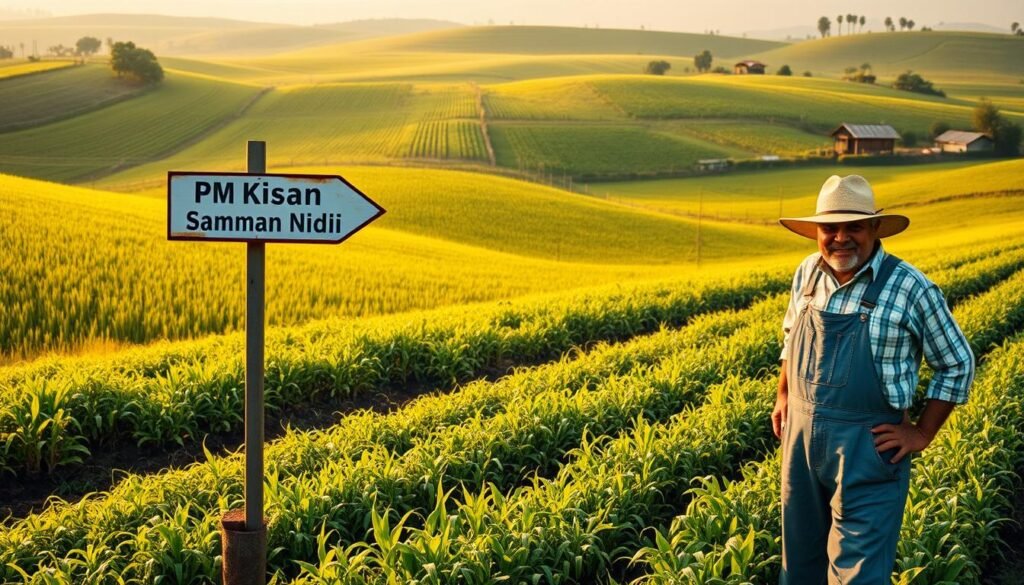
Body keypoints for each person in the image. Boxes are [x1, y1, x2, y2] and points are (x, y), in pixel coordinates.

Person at [771, 174, 974, 584]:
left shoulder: (910, 287)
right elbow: (792, 335)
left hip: (868, 448)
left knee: (857, 575)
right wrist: (783, 394)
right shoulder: (808, 273)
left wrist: (921, 432)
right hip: (800, 442)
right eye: (830, 227)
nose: (840, 238)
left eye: (854, 227)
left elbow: (958, 362)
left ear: (875, 228)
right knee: (800, 566)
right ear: (817, 232)